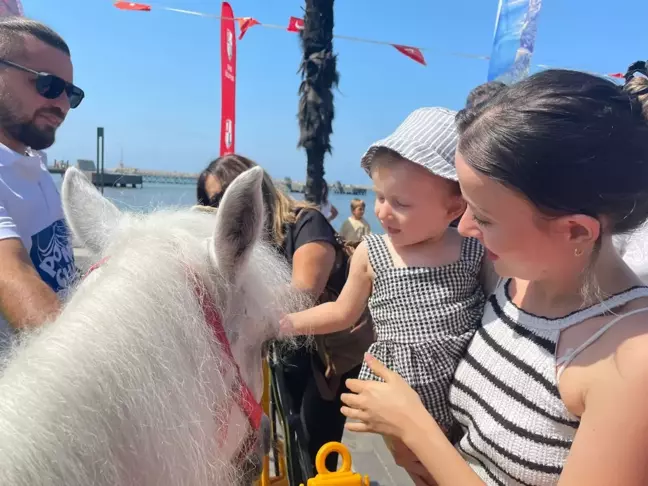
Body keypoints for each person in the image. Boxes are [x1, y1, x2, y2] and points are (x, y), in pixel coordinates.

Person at [340, 69, 648, 486]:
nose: (464, 228)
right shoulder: (511, 282)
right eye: (464, 206)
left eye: (483, 216)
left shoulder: (632, 360)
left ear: (575, 230)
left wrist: (414, 425)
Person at [281, 107, 487, 485]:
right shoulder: (371, 252)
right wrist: (282, 323)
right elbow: (342, 312)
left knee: (463, 465)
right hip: (398, 389)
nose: (383, 212)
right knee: (418, 470)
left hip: (466, 386)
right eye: (379, 197)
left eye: (401, 204)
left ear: (453, 208)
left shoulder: (472, 249)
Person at [197, 154, 372, 478]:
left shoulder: (306, 223)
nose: (219, 210)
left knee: (314, 439)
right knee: (290, 430)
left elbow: (303, 291)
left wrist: (236, 311)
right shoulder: (253, 245)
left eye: (223, 199)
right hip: (285, 351)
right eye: (210, 203)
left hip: (326, 358)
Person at [0, 18, 84, 353]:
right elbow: (12, 271)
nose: (63, 104)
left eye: (72, 93)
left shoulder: (31, 165)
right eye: (48, 86)